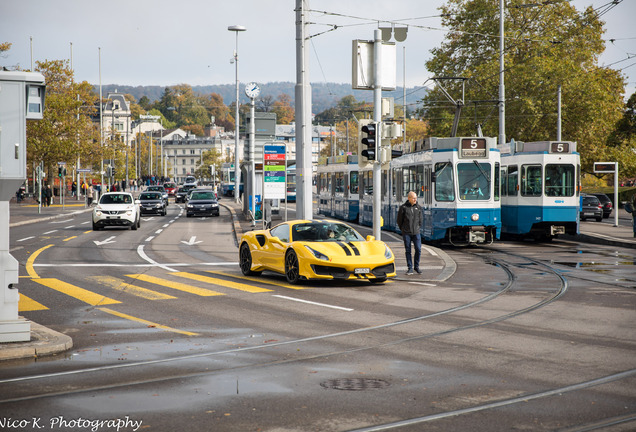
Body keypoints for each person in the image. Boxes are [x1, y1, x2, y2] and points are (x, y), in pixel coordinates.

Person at [397, 191, 423, 275]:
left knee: (418, 249)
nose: (415, 200)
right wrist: (403, 230)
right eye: (413, 198)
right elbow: (399, 220)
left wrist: (418, 228)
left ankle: (416, 267)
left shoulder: (418, 207)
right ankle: (410, 268)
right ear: (409, 198)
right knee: (408, 250)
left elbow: (420, 220)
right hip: (407, 233)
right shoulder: (403, 207)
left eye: (416, 198)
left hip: (416, 232)